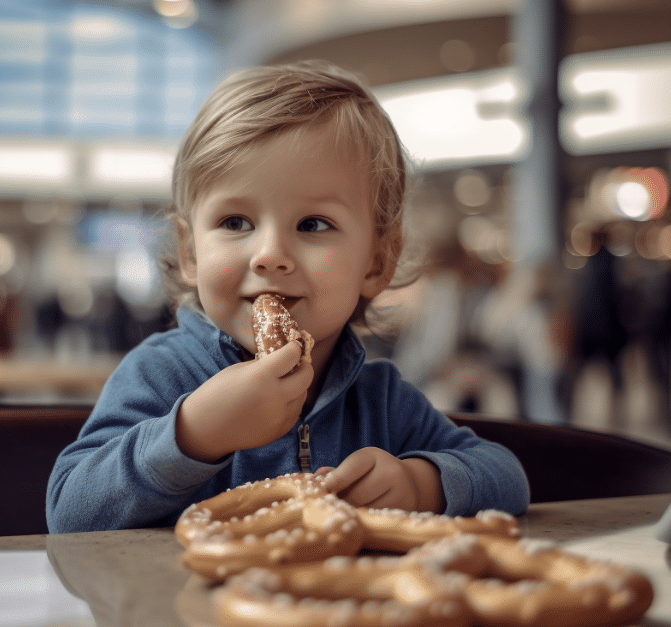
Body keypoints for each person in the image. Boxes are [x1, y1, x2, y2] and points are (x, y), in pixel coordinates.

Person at [47, 61, 530, 533]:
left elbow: (506, 476)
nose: (270, 255)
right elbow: (69, 510)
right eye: (235, 223)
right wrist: (192, 434)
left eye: (313, 224)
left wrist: (419, 484)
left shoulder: (378, 400)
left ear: (377, 260)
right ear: (190, 251)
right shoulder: (162, 374)